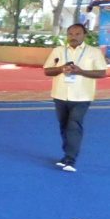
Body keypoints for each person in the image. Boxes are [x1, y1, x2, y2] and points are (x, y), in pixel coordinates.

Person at [45, 22, 107, 171]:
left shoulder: (94, 52)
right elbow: (47, 70)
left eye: (77, 34)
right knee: (64, 126)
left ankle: (71, 160)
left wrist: (80, 72)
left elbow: (101, 73)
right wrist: (60, 69)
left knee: (74, 125)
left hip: (82, 96)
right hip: (60, 94)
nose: (73, 37)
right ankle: (67, 155)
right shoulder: (58, 51)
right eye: (70, 34)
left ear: (84, 35)